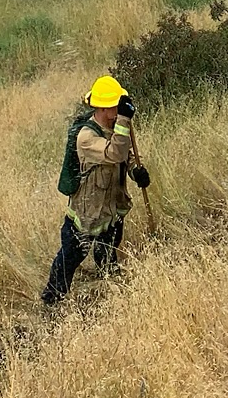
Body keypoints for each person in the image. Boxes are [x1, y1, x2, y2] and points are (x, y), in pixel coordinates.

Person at [42, 75, 151, 304]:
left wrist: (135, 172)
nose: (119, 106)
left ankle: (110, 292)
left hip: (111, 210)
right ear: (102, 107)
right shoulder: (87, 137)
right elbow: (114, 154)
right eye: (115, 103)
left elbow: (126, 157)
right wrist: (124, 120)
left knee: (108, 253)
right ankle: (52, 299)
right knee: (71, 258)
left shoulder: (116, 126)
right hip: (86, 214)